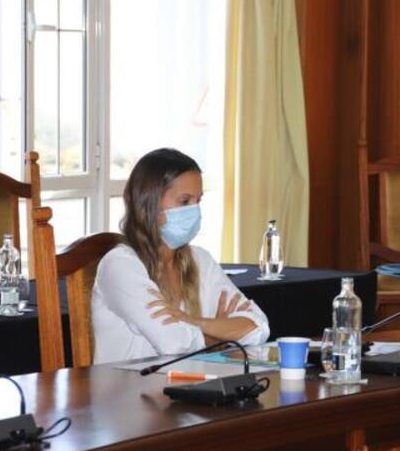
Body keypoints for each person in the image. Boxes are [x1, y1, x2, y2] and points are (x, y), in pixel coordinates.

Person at [93, 148, 270, 363]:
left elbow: (258, 327)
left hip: (193, 380)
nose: (195, 211)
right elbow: (173, 343)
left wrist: (193, 321)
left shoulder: (200, 259)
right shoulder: (120, 265)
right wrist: (219, 335)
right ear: (147, 204)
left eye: (198, 201)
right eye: (185, 201)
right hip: (130, 383)